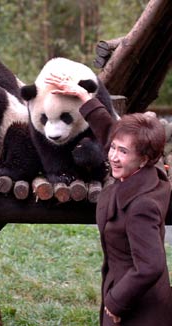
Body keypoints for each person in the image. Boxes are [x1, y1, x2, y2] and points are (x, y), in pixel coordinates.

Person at [45, 73, 172, 325]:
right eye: (113, 148)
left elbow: (150, 266)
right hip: (135, 296)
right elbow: (110, 133)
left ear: (145, 158)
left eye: (122, 152)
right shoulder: (147, 171)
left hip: (139, 309)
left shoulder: (141, 205)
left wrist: (115, 302)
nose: (112, 156)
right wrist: (84, 97)